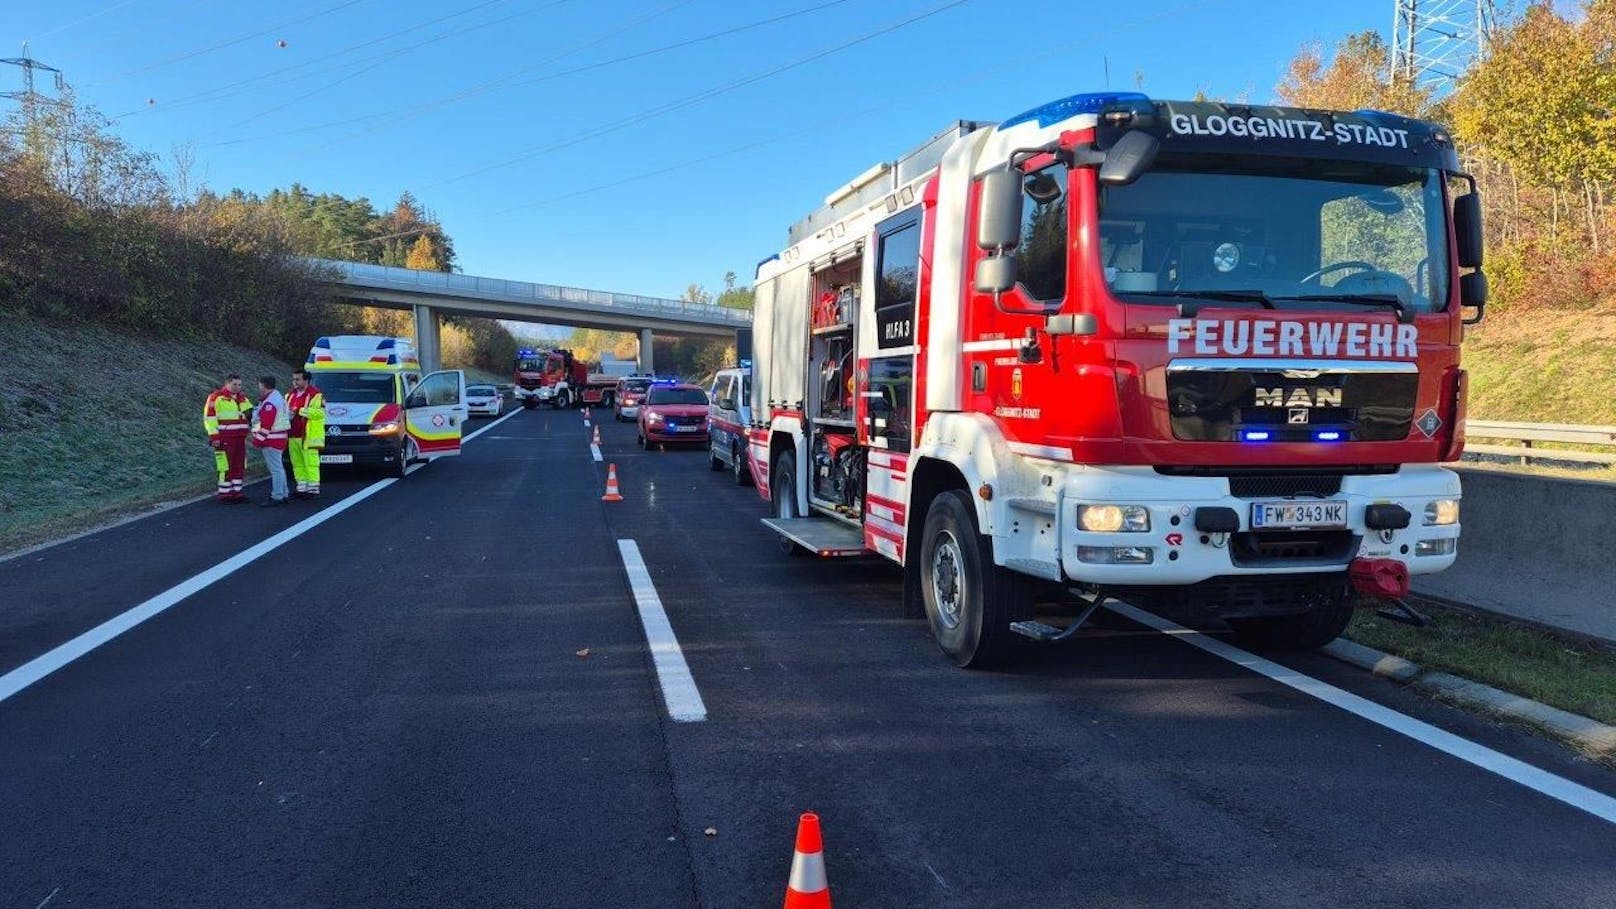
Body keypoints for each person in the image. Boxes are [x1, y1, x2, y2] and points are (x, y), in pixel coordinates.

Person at [203, 373, 252, 503]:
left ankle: (237, 492)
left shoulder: (243, 398)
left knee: (239, 465)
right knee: (225, 466)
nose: (237, 387)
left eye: (240, 385)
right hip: (225, 437)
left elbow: (250, 416)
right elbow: (210, 418)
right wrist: (214, 437)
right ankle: (225, 494)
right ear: (227, 384)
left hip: (240, 438)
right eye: (234, 384)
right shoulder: (216, 398)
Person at [251, 376, 291, 506]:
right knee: (279, 468)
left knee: (275, 469)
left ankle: (277, 496)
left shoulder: (270, 403)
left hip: (271, 440)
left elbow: (267, 425)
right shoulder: (277, 398)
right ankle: (284, 493)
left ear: (263, 386)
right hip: (279, 437)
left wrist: (257, 441)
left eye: (260, 386)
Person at [286, 369, 326, 499]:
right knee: (297, 463)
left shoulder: (316, 395)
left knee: (311, 463)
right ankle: (301, 488)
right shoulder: (289, 395)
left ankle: (313, 489)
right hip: (293, 435)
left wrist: (299, 411)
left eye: (298, 379)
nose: (295, 382)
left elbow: (320, 413)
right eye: (293, 379)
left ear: (306, 380)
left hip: (308, 436)